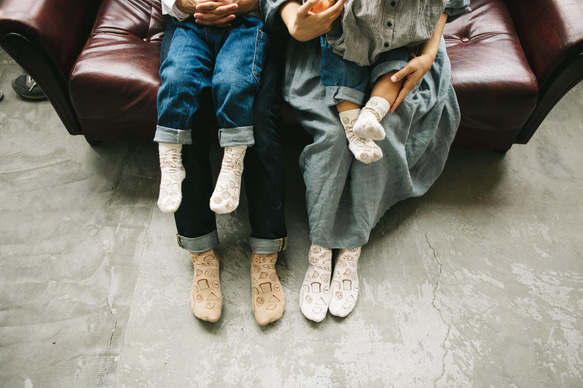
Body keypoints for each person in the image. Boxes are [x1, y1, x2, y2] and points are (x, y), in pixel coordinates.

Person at [262, 0, 470, 322]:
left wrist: (428, 55)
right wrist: (294, 22)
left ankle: (351, 248)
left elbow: (448, 3)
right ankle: (320, 248)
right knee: (333, 136)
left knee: (383, 133)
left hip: (405, 44)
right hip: (328, 42)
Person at [159, 0, 288, 325]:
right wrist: (185, 2)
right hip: (190, 22)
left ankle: (265, 252)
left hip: (250, 25)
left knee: (255, 116)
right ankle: (201, 252)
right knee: (182, 99)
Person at [156, 0, 268, 215]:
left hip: (244, 24)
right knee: (176, 78)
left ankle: (233, 161)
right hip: (188, 24)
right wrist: (191, 4)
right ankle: (170, 161)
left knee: (234, 80)